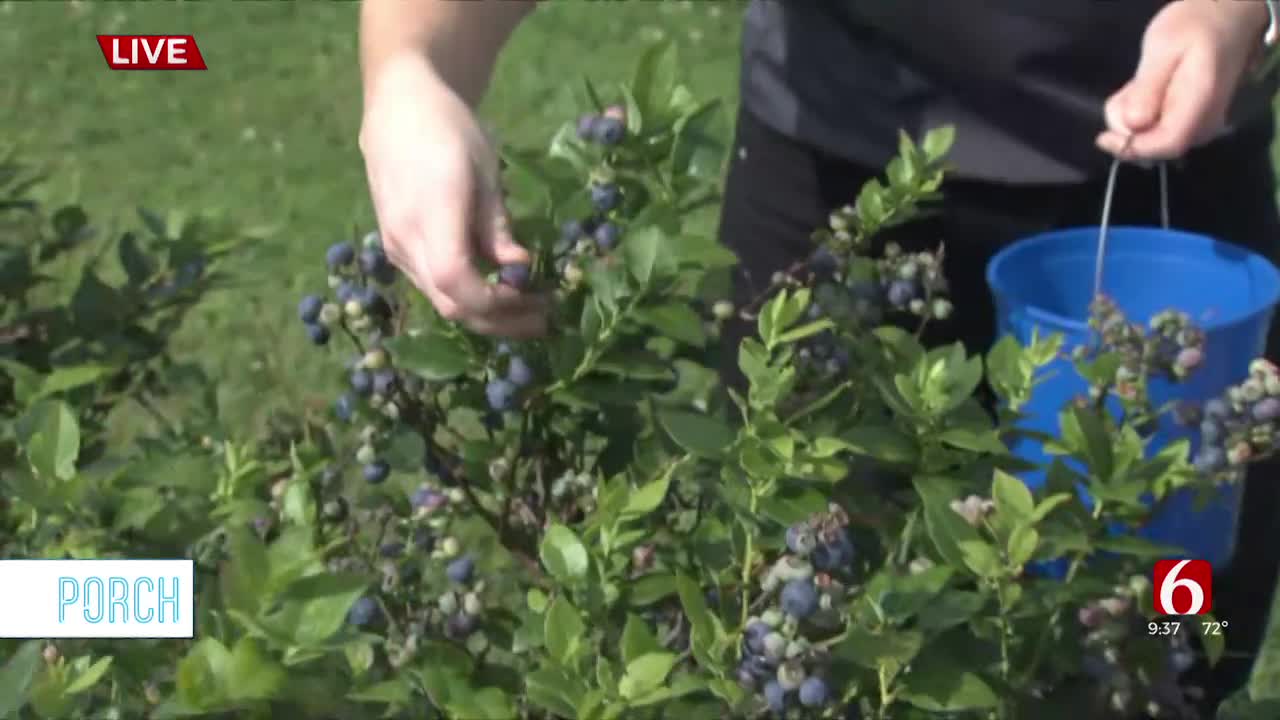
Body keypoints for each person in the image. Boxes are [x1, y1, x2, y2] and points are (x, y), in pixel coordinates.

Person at [357, 0, 1279, 709]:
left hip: (1172, 213)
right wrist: (412, 72)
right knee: (799, 625)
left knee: (1177, 618)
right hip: (835, 200)